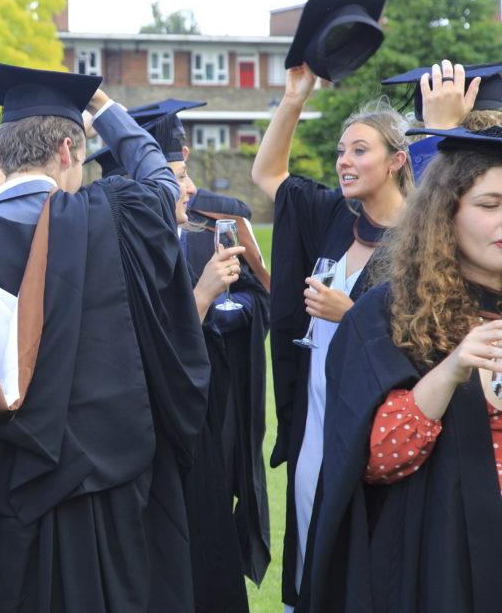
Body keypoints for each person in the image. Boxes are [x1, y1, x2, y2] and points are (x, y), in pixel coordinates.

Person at [0, 63, 210, 612]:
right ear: (68, 151)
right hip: (106, 495)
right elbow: (160, 180)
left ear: (3, 152)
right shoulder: (112, 215)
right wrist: (103, 107)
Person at [306, 125, 502, 612]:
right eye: (490, 205)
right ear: (446, 213)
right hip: (441, 561)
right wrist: (453, 368)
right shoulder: (389, 313)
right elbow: (375, 459)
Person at [94, 106, 272, 610]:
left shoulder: (206, 235)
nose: (188, 190)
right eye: (172, 178)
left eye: (184, 174)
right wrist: (201, 296)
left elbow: (262, 297)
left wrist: (233, 313)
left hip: (204, 431)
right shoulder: (110, 260)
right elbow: (146, 357)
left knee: (209, 561)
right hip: (151, 447)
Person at [251, 64, 412, 608]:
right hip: (316, 416)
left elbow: (427, 345)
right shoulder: (334, 218)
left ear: (397, 159)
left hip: (374, 430)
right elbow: (268, 176)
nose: (345, 161)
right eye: (342, 151)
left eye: (360, 150)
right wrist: (294, 98)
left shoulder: (419, 243)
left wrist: (352, 316)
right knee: (310, 553)